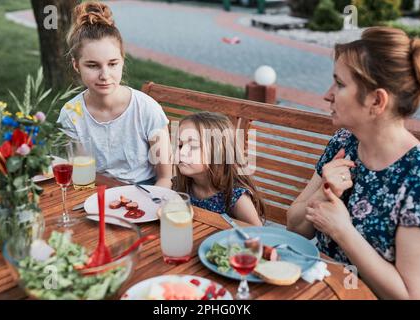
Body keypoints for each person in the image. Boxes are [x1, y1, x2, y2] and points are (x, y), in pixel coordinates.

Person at [287, 27, 420, 299]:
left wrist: (343, 231)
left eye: (339, 84)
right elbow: (295, 227)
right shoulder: (344, 142)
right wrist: (324, 190)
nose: (327, 95)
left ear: (377, 100)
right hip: (320, 289)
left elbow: (412, 295)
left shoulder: (419, 177)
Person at [58, 1, 172, 187]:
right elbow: (79, 173)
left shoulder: (147, 109)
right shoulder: (71, 114)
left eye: (112, 64)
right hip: (94, 191)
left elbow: (165, 178)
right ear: (76, 65)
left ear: (122, 61)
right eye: (93, 65)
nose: (105, 75)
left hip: (144, 193)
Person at [174, 111, 265, 226]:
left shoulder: (236, 197)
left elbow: (258, 234)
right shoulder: (180, 184)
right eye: (180, 145)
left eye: (193, 146)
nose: (182, 152)